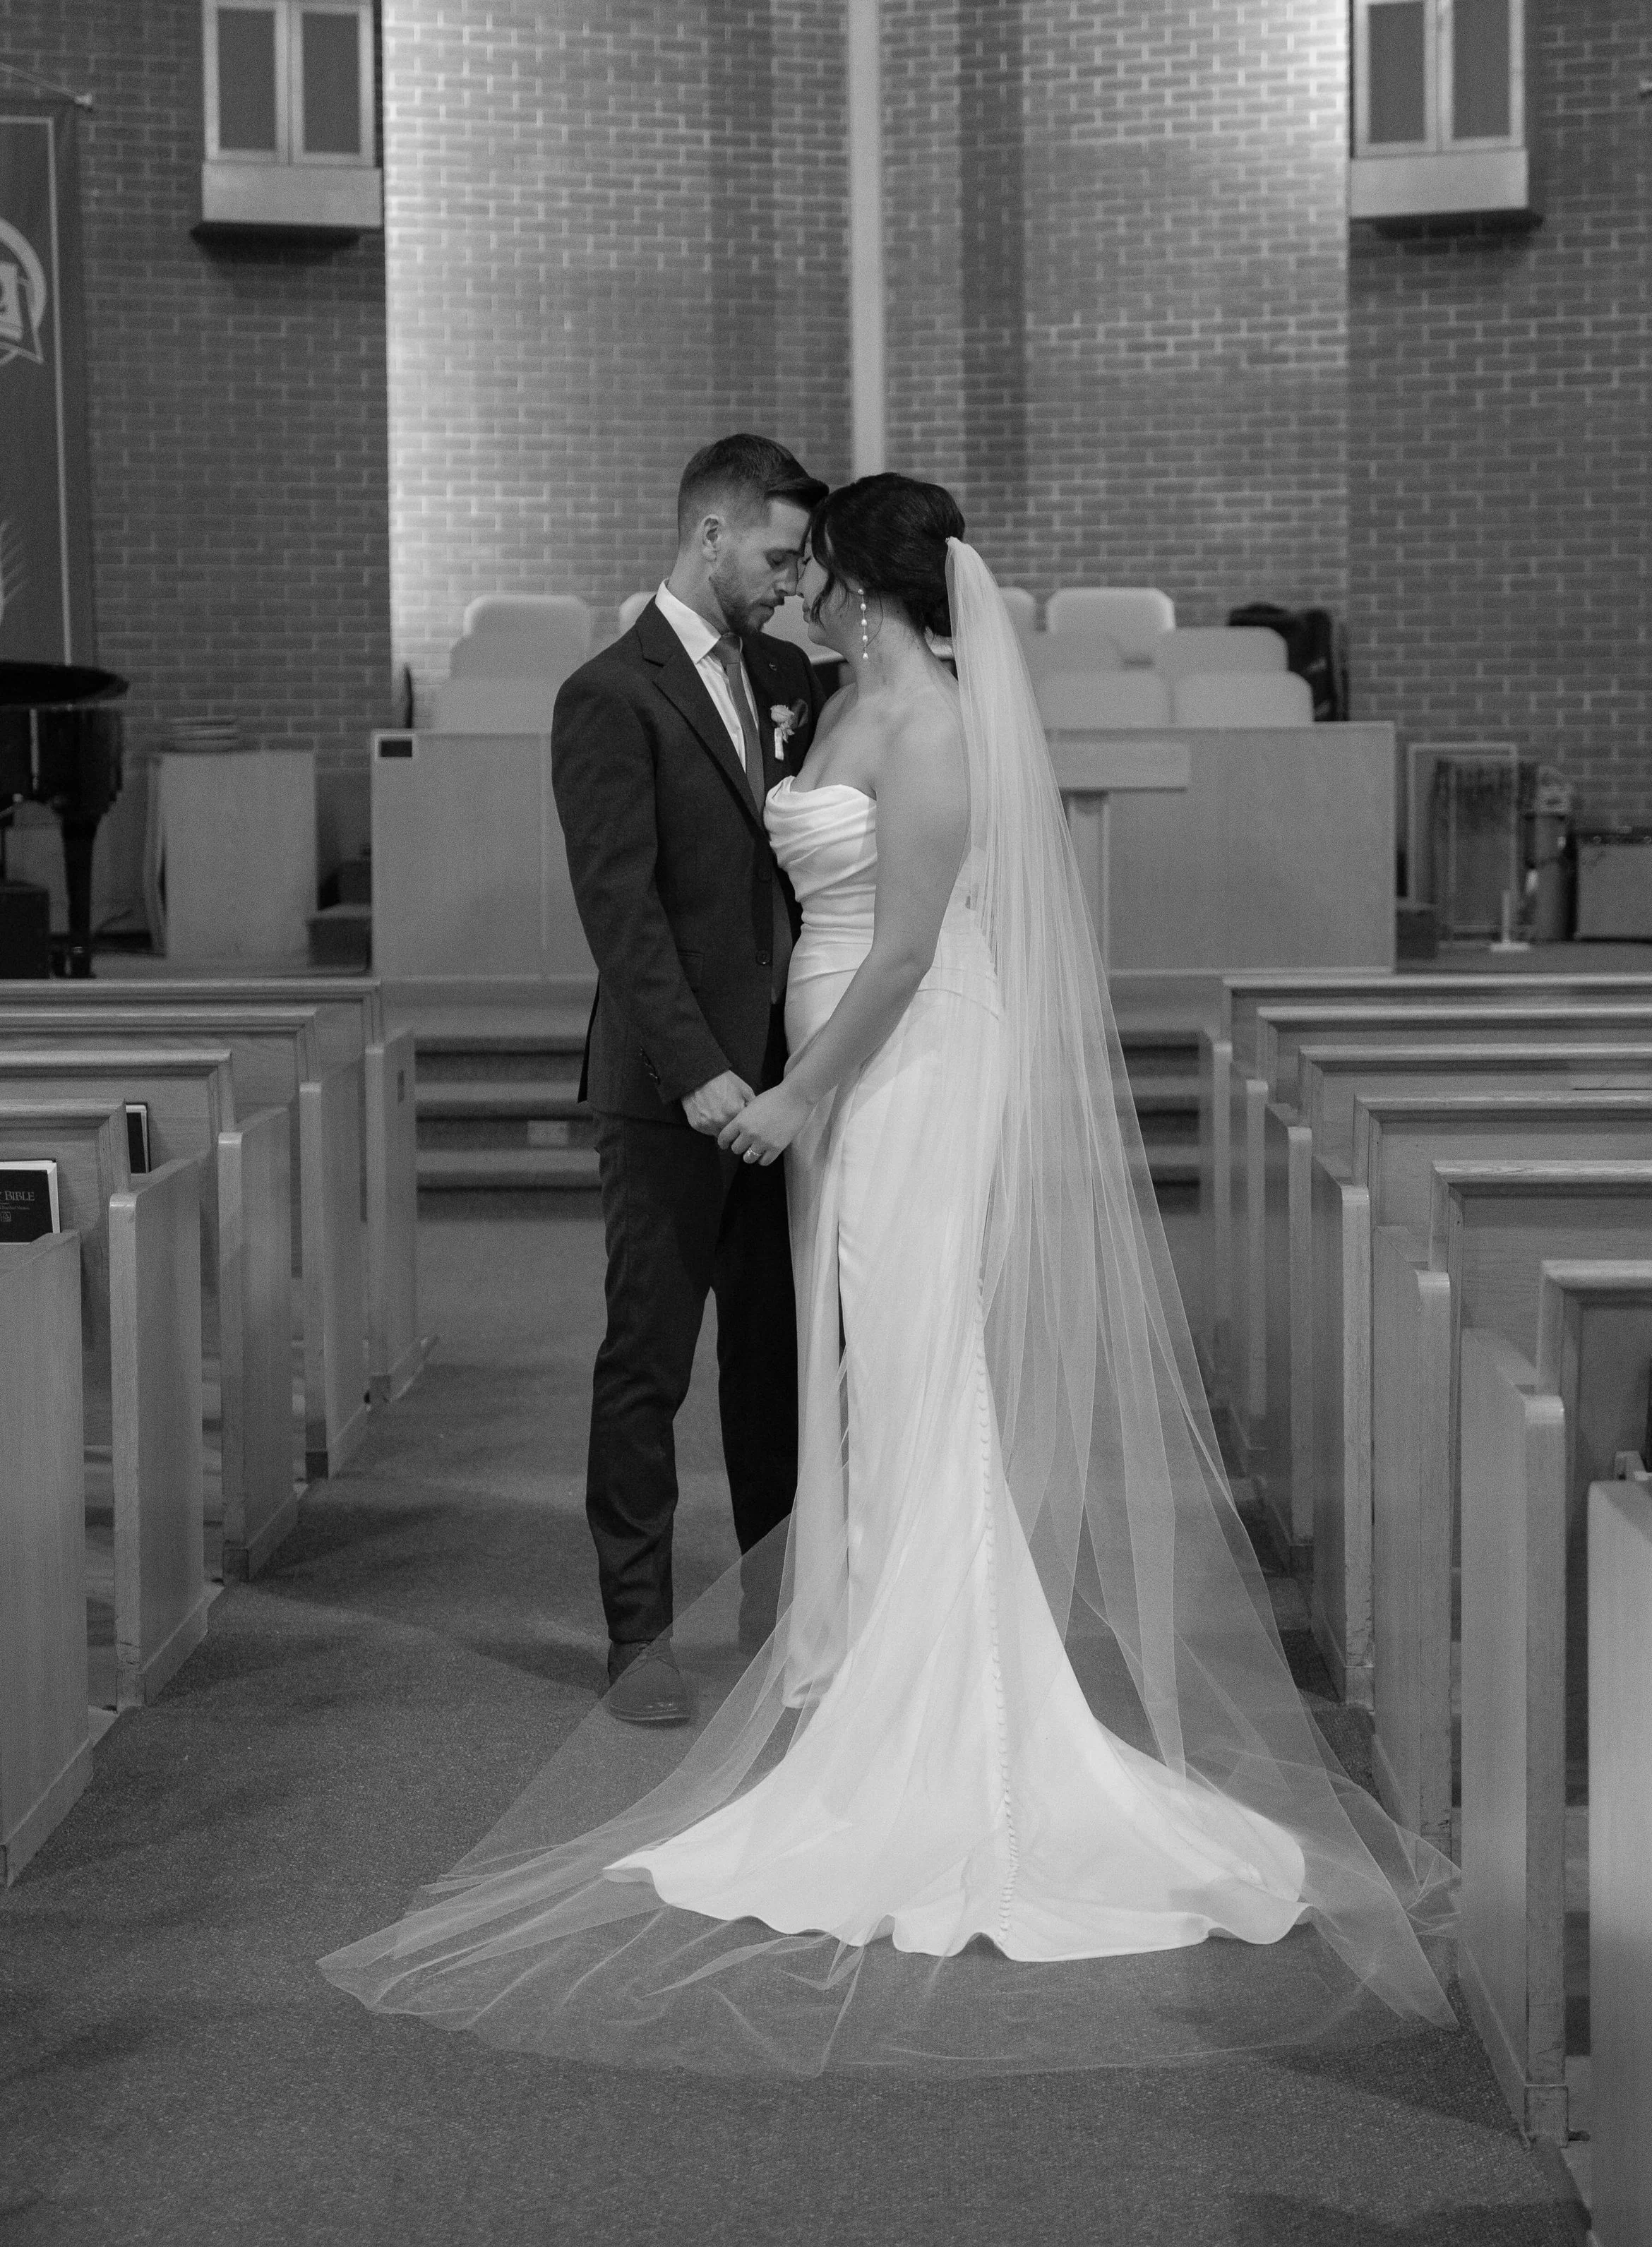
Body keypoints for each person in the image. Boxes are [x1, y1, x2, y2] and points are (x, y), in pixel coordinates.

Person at [323, 477, 1454, 2073]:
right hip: (818, 1062)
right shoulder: (823, 693)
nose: (794, 593)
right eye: (779, 562)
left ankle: (950, 1713)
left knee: (920, 1356)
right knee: (854, 1359)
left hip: (900, 1061)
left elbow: (914, 944)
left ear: (863, 578)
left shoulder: (928, 728)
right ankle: (847, 1655)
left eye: (814, 568)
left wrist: (799, 1089)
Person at [548, 433, 827, 1724]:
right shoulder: (609, 693)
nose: (789, 581)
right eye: (775, 556)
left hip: (782, 1086)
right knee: (648, 1362)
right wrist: (703, 1071)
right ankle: (639, 1634)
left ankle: (776, 1613)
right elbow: (624, 915)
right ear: (710, 535)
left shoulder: (786, 675)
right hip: (671, 1093)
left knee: (774, 1367)